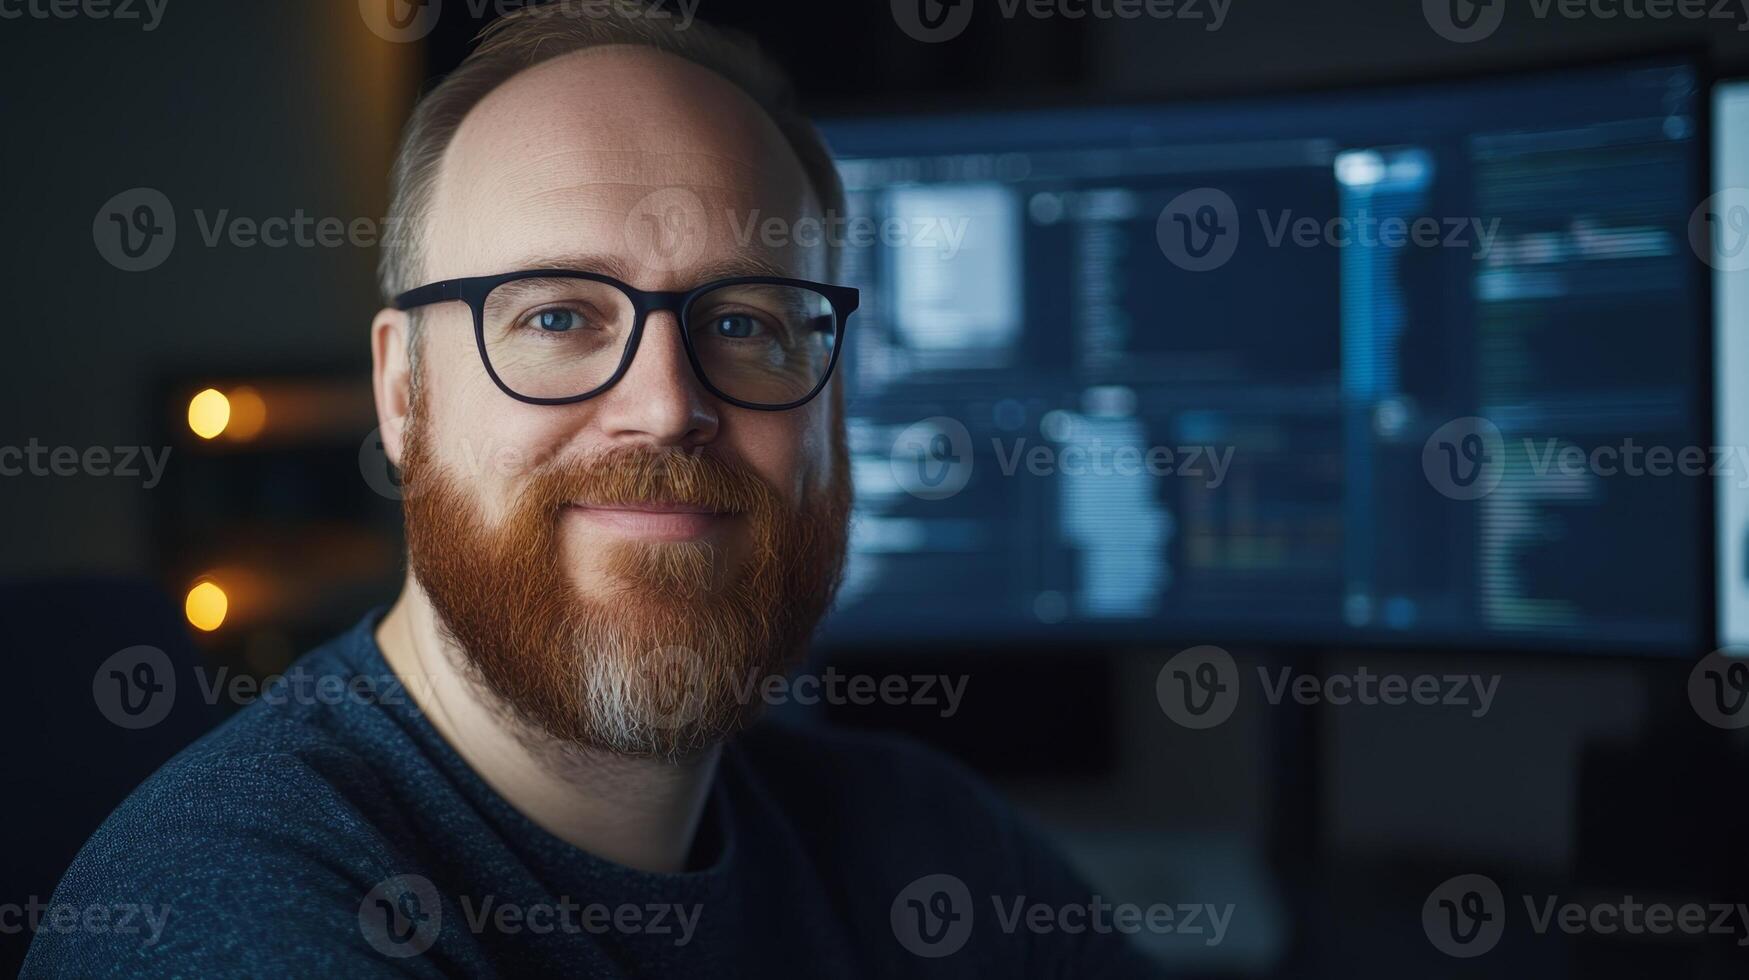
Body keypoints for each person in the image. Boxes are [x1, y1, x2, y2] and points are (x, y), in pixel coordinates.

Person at [24, 2, 1160, 975]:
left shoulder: (923, 840)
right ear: (402, 389)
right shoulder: (241, 911)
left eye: (745, 322)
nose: (667, 404)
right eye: (558, 316)